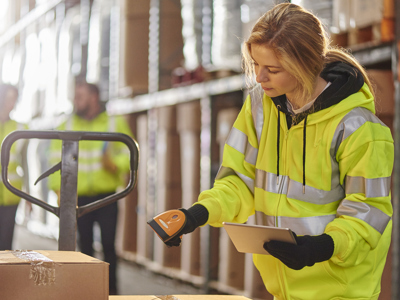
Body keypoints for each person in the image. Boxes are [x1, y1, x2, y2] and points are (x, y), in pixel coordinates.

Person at [151, 3, 394, 300]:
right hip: (283, 287)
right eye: (255, 65)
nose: (260, 77)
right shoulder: (260, 108)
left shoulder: (358, 128)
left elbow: (368, 210)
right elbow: (238, 180)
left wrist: (322, 247)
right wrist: (196, 214)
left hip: (340, 289)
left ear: (304, 65)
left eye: (273, 69)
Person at [48, 81, 133, 295]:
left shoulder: (114, 122)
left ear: (94, 97)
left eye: (80, 96)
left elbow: (130, 154)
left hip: (107, 197)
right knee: (83, 247)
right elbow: (52, 158)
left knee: (108, 247)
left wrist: (115, 164)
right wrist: (57, 190)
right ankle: (86, 292)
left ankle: (111, 292)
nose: (75, 101)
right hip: (78, 197)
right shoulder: (66, 123)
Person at [0, 84, 27, 250]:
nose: (12, 104)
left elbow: (24, 163)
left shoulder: (20, 129)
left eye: (14, 100)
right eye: (9, 99)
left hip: (11, 193)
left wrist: (28, 193)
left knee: (6, 243)